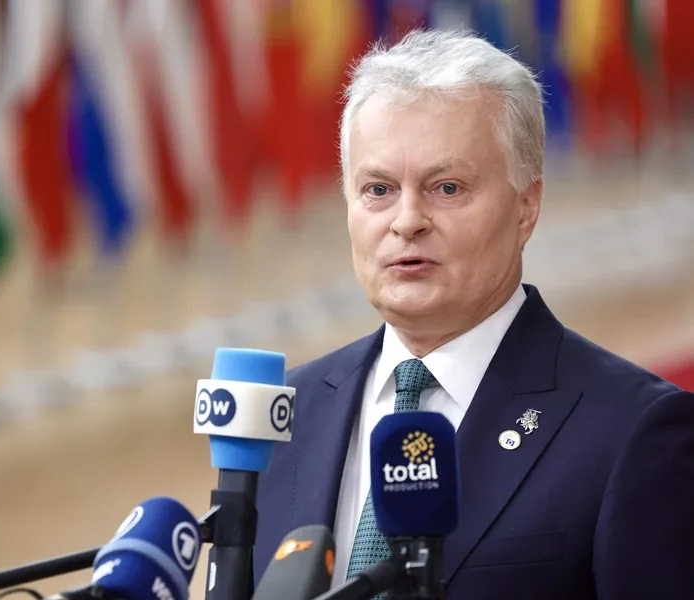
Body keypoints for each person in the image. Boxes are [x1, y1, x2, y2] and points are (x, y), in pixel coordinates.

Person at [252, 29, 694, 599]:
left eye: (447, 187)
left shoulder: (635, 430)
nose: (406, 221)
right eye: (379, 189)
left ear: (526, 207)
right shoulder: (287, 414)